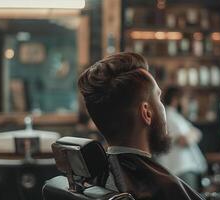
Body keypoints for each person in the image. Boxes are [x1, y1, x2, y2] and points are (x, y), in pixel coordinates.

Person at [78, 52, 204, 200]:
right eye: (158, 98)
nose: (163, 108)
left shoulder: (94, 180)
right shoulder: (166, 190)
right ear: (147, 112)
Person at [156, 87, 207, 191]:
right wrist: (192, 135)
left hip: (183, 169)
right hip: (180, 169)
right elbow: (185, 140)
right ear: (175, 100)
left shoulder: (176, 116)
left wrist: (192, 134)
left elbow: (197, 132)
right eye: (185, 99)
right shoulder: (170, 116)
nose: (187, 103)